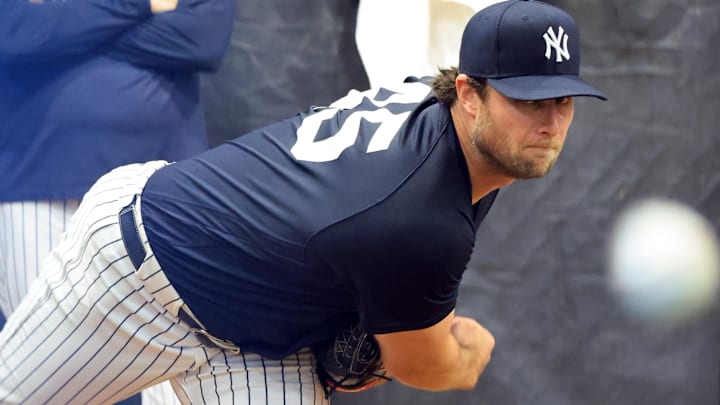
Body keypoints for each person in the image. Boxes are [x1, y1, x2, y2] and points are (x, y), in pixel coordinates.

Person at [0, 1, 605, 403]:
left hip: (256, 338)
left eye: (563, 100)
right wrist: (465, 353)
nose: (550, 121)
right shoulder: (422, 216)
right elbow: (424, 363)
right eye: (527, 99)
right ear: (469, 92)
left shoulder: (436, 106)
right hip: (137, 274)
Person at [0, 0, 236, 404]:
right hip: (37, 178)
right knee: (44, 374)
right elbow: (18, 36)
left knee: (172, 371)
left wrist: (70, 35)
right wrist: (144, 4)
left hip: (162, 188)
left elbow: (204, 37)